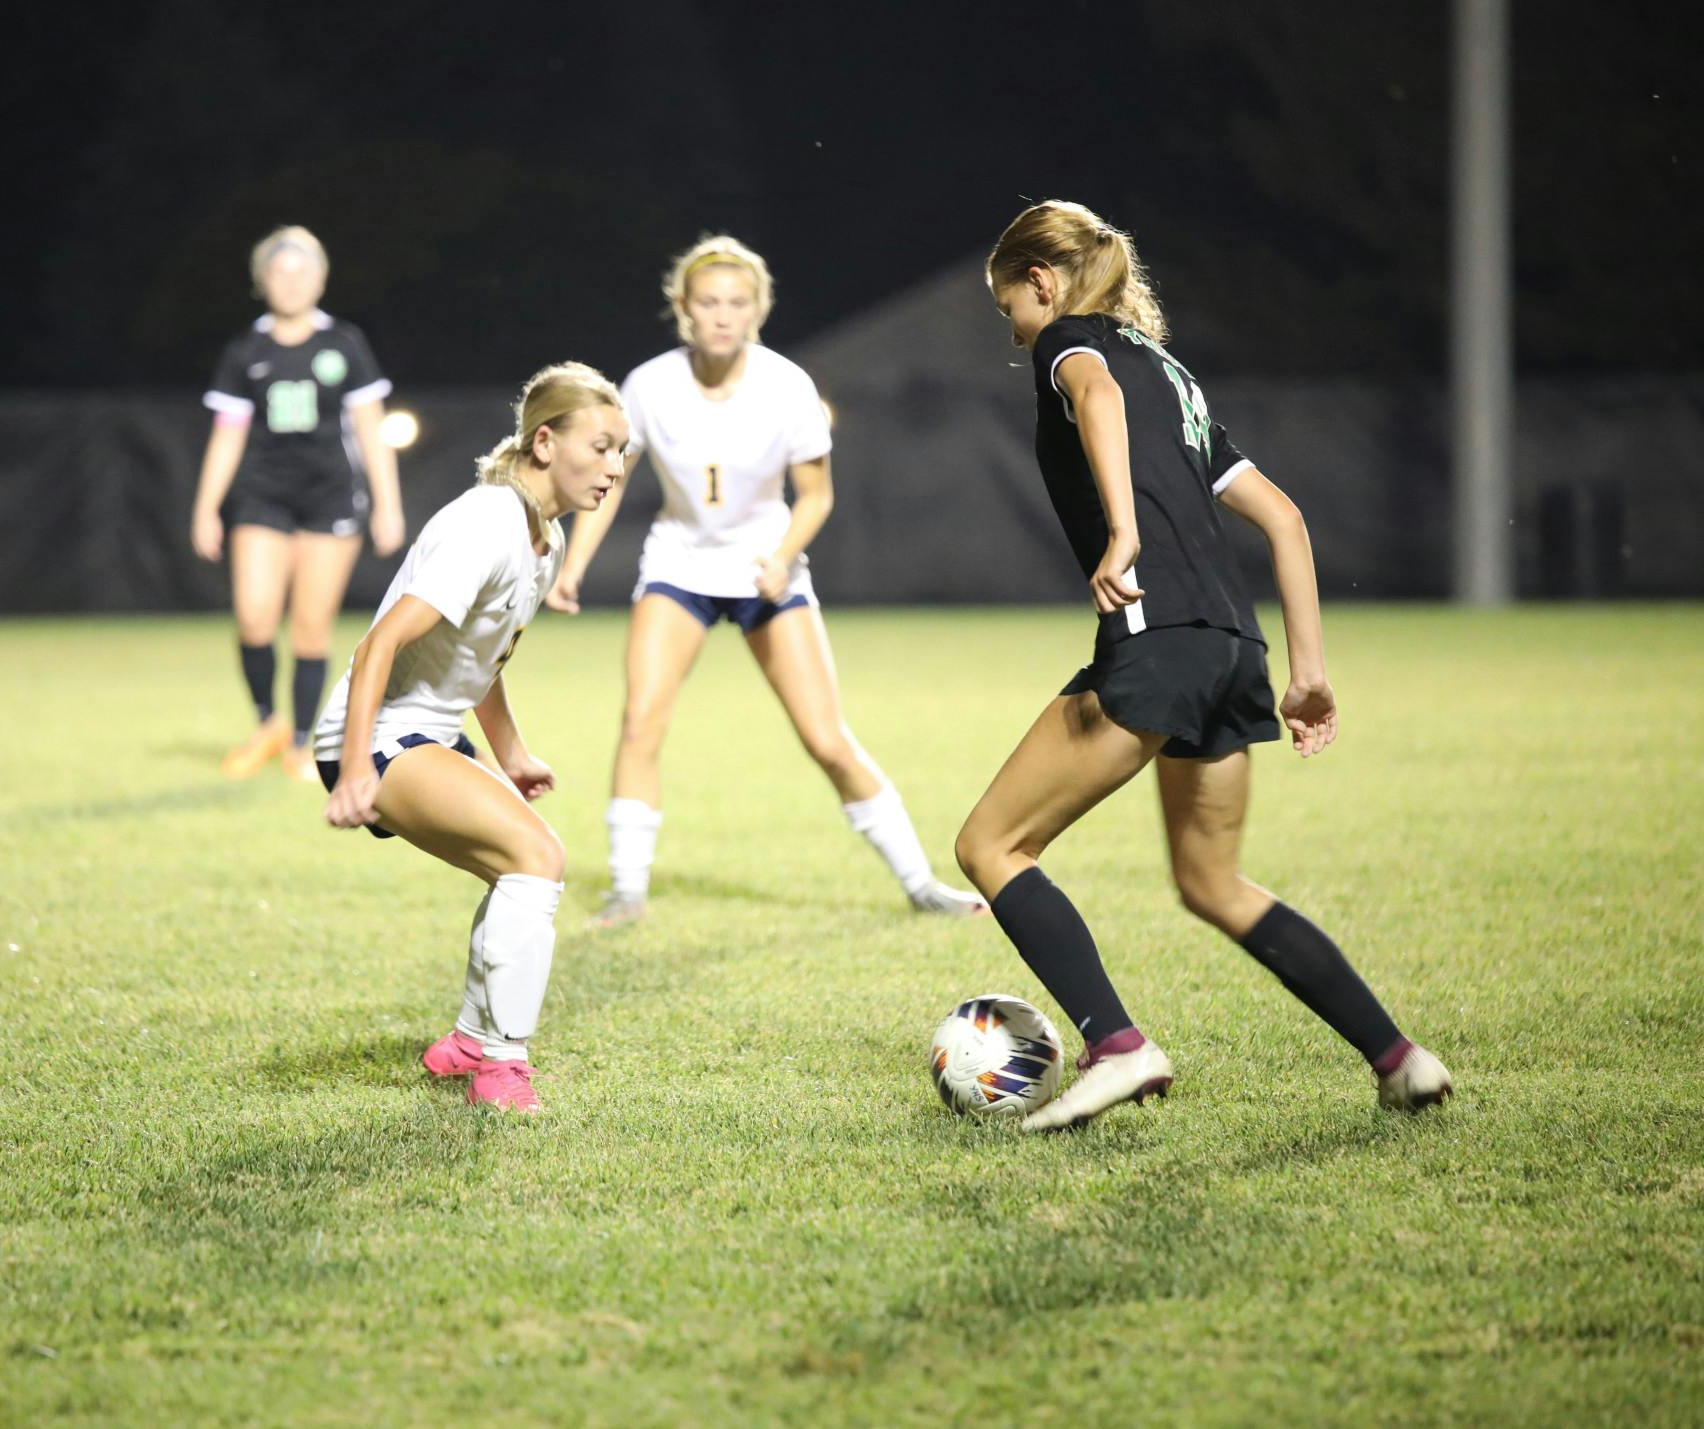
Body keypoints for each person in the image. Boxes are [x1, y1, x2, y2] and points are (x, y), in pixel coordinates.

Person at [953, 200, 1452, 1133]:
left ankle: (1118, 1046)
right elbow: (1285, 519)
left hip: (1158, 639)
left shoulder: (1067, 342)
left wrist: (1124, 533)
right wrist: (1308, 672)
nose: (1013, 329)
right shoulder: (1172, 374)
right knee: (1212, 881)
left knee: (991, 845)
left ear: (1042, 282)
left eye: (1007, 306)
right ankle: (1400, 1058)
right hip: (1232, 646)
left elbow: (1095, 397)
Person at [546, 234, 983, 927]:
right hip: (679, 567)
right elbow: (610, 480)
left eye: (736, 303)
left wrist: (781, 555)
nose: (722, 315)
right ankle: (627, 892)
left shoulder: (786, 385)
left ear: (758, 310)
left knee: (827, 738)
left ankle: (921, 884)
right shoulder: (648, 385)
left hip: (766, 571)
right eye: (708, 302)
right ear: (683, 308)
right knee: (640, 722)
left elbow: (816, 496)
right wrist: (571, 566)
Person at [314, 362, 627, 1113]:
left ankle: (467, 1043)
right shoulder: (487, 523)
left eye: (622, 452)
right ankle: (500, 1065)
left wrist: (511, 752)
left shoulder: (543, 535)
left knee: (520, 870)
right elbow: (378, 645)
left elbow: (478, 658)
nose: (615, 468)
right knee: (537, 858)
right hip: (379, 735)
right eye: (601, 447)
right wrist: (355, 769)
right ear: (544, 442)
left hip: (422, 732)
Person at [191, 226, 406, 783]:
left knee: (311, 626)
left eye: (303, 271)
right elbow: (228, 435)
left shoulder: (345, 344)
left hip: (330, 497)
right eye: (280, 272)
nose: (291, 282)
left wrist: (388, 505)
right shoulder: (246, 351)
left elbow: (370, 429)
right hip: (262, 495)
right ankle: (268, 723)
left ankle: (302, 742)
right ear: (262, 281)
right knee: (254, 616)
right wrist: (206, 507)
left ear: (321, 278)